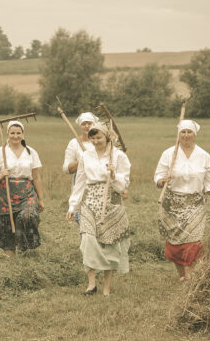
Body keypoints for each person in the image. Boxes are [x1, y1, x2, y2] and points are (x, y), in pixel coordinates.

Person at [66, 122, 131, 296]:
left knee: (109, 242)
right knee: (87, 240)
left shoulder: (118, 156)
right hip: (90, 200)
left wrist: (113, 175)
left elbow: (123, 185)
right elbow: (80, 182)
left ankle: (106, 288)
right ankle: (91, 284)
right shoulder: (86, 156)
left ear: (107, 137)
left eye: (99, 137)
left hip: (111, 200)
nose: (95, 141)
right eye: (92, 138)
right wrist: (73, 206)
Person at [154, 120, 210, 282]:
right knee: (176, 244)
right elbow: (157, 176)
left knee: (193, 241)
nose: (186, 135)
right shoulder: (169, 154)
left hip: (195, 204)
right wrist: (162, 180)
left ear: (194, 134)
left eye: (189, 132)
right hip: (172, 204)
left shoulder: (204, 156)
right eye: (183, 132)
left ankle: (191, 276)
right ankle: (183, 275)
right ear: (178, 134)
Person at [0, 121, 45, 257]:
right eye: (12, 133)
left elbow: (36, 178)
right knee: (6, 225)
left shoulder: (31, 152)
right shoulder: (0, 152)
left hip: (27, 192)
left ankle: (24, 248)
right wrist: (1, 175)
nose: (15, 136)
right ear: (8, 134)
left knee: (28, 216)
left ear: (23, 134)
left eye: (18, 133)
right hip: (5, 194)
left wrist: (41, 199)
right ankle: (10, 259)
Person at [62, 112, 98, 225]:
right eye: (84, 123)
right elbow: (66, 169)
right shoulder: (74, 143)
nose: (87, 126)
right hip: (81, 181)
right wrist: (82, 160)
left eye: (90, 123)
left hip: (99, 181)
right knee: (82, 219)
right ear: (80, 126)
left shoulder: (101, 141)